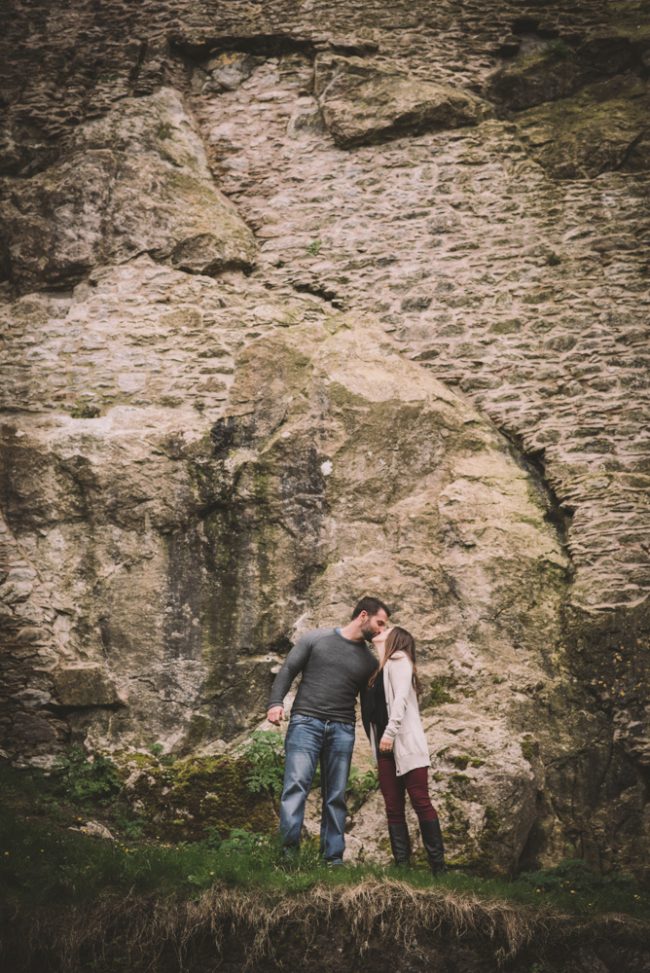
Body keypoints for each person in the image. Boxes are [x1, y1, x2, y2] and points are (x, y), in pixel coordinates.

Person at [266, 596, 390, 865]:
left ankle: (332, 860)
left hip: (342, 729)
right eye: (380, 623)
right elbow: (288, 669)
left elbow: (370, 708)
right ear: (363, 616)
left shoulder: (370, 662)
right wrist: (275, 703)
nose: (381, 630)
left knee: (335, 795)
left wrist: (379, 741)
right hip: (305, 723)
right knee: (295, 787)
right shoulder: (316, 639)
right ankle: (287, 858)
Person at [362, 625, 446, 874]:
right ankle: (402, 867)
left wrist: (388, 733)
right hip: (386, 749)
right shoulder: (380, 668)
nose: (381, 629)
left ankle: (438, 869)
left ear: (396, 639)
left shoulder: (399, 660)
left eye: (386, 628)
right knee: (393, 806)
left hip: (405, 745)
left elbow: (398, 700)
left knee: (420, 801)